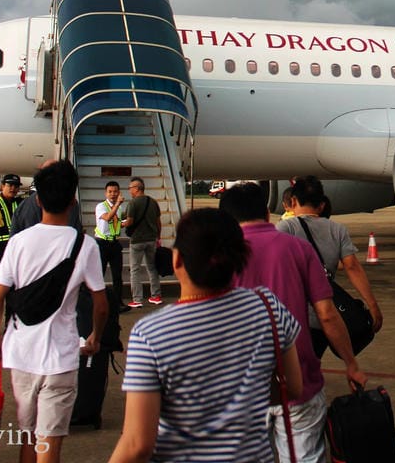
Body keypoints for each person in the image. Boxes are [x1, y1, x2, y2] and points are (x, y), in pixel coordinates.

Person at [108, 209, 303, 463]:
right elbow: (293, 387)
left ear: (177, 260)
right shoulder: (268, 306)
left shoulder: (151, 334)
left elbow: (138, 444)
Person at [220, 182, 367, 463]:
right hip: (296, 381)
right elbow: (326, 313)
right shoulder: (298, 249)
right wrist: (351, 363)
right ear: (266, 212)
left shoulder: (217, 257)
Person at [0, 159, 107, 463]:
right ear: (73, 201)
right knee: (49, 444)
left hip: (21, 356)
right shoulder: (85, 245)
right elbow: (100, 301)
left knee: (27, 434)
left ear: (37, 199)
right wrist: (94, 337)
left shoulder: (18, 243)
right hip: (61, 358)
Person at [276, 175, 384, 334]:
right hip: (327, 316)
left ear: (292, 202)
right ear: (322, 205)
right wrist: (373, 306)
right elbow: (352, 267)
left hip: (293, 317)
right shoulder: (337, 230)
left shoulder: (285, 228)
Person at [121, 177, 162, 308]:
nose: (129, 190)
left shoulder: (133, 203)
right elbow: (158, 222)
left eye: (130, 188)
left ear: (137, 188)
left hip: (137, 241)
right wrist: (158, 237)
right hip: (151, 240)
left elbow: (130, 221)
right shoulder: (153, 202)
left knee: (135, 270)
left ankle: (137, 299)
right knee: (152, 268)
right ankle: (156, 296)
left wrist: (119, 225)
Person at [94, 181, 130, 312]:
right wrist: (118, 204)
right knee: (100, 274)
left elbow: (116, 224)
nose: (113, 194)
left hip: (114, 243)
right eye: (110, 191)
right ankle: (96, 303)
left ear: (119, 192)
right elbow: (108, 217)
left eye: (115, 191)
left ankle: (117, 303)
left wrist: (125, 223)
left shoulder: (119, 209)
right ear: (106, 193)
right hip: (102, 243)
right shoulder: (101, 206)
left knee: (117, 275)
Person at [0, 174, 22, 272]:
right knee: (1, 274)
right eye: (10, 185)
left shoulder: (20, 202)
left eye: (16, 186)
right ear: (2, 186)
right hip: (1, 245)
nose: (13, 188)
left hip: (17, 245)